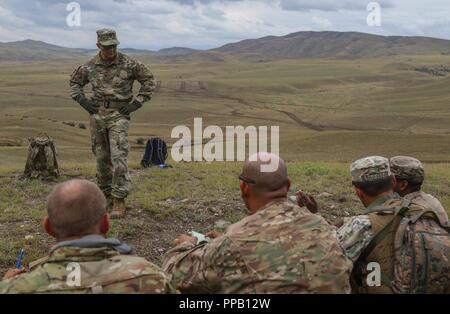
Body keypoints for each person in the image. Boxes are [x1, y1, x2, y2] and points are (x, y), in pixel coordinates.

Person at [162, 153, 352, 294]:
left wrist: (187, 245)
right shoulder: (324, 226)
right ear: (288, 185)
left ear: (243, 187)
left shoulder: (236, 239)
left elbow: (175, 275)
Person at [297, 156, 449, 294]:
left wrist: (312, 216)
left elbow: (321, 254)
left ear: (358, 192)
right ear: (394, 182)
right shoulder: (425, 209)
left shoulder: (363, 225)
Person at [0, 180, 174, 294]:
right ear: (106, 223)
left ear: (48, 227)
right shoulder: (153, 278)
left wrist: (8, 285)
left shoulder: (15, 289)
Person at [70, 29, 155, 218]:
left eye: (114, 46)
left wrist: (137, 102)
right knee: (101, 159)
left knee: (118, 158)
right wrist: (83, 101)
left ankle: (119, 200)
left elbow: (149, 80)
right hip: (97, 115)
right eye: (107, 47)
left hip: (119, 115)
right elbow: (74, 83)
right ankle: (104, 199)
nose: (111, 50)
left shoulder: (129, 63)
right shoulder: (89, 66)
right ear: (99, 45)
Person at [390, 156, 448, 224]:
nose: (388, 183)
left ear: (403, 185)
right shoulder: (433, 200)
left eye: (392, 180)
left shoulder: (406, 208)